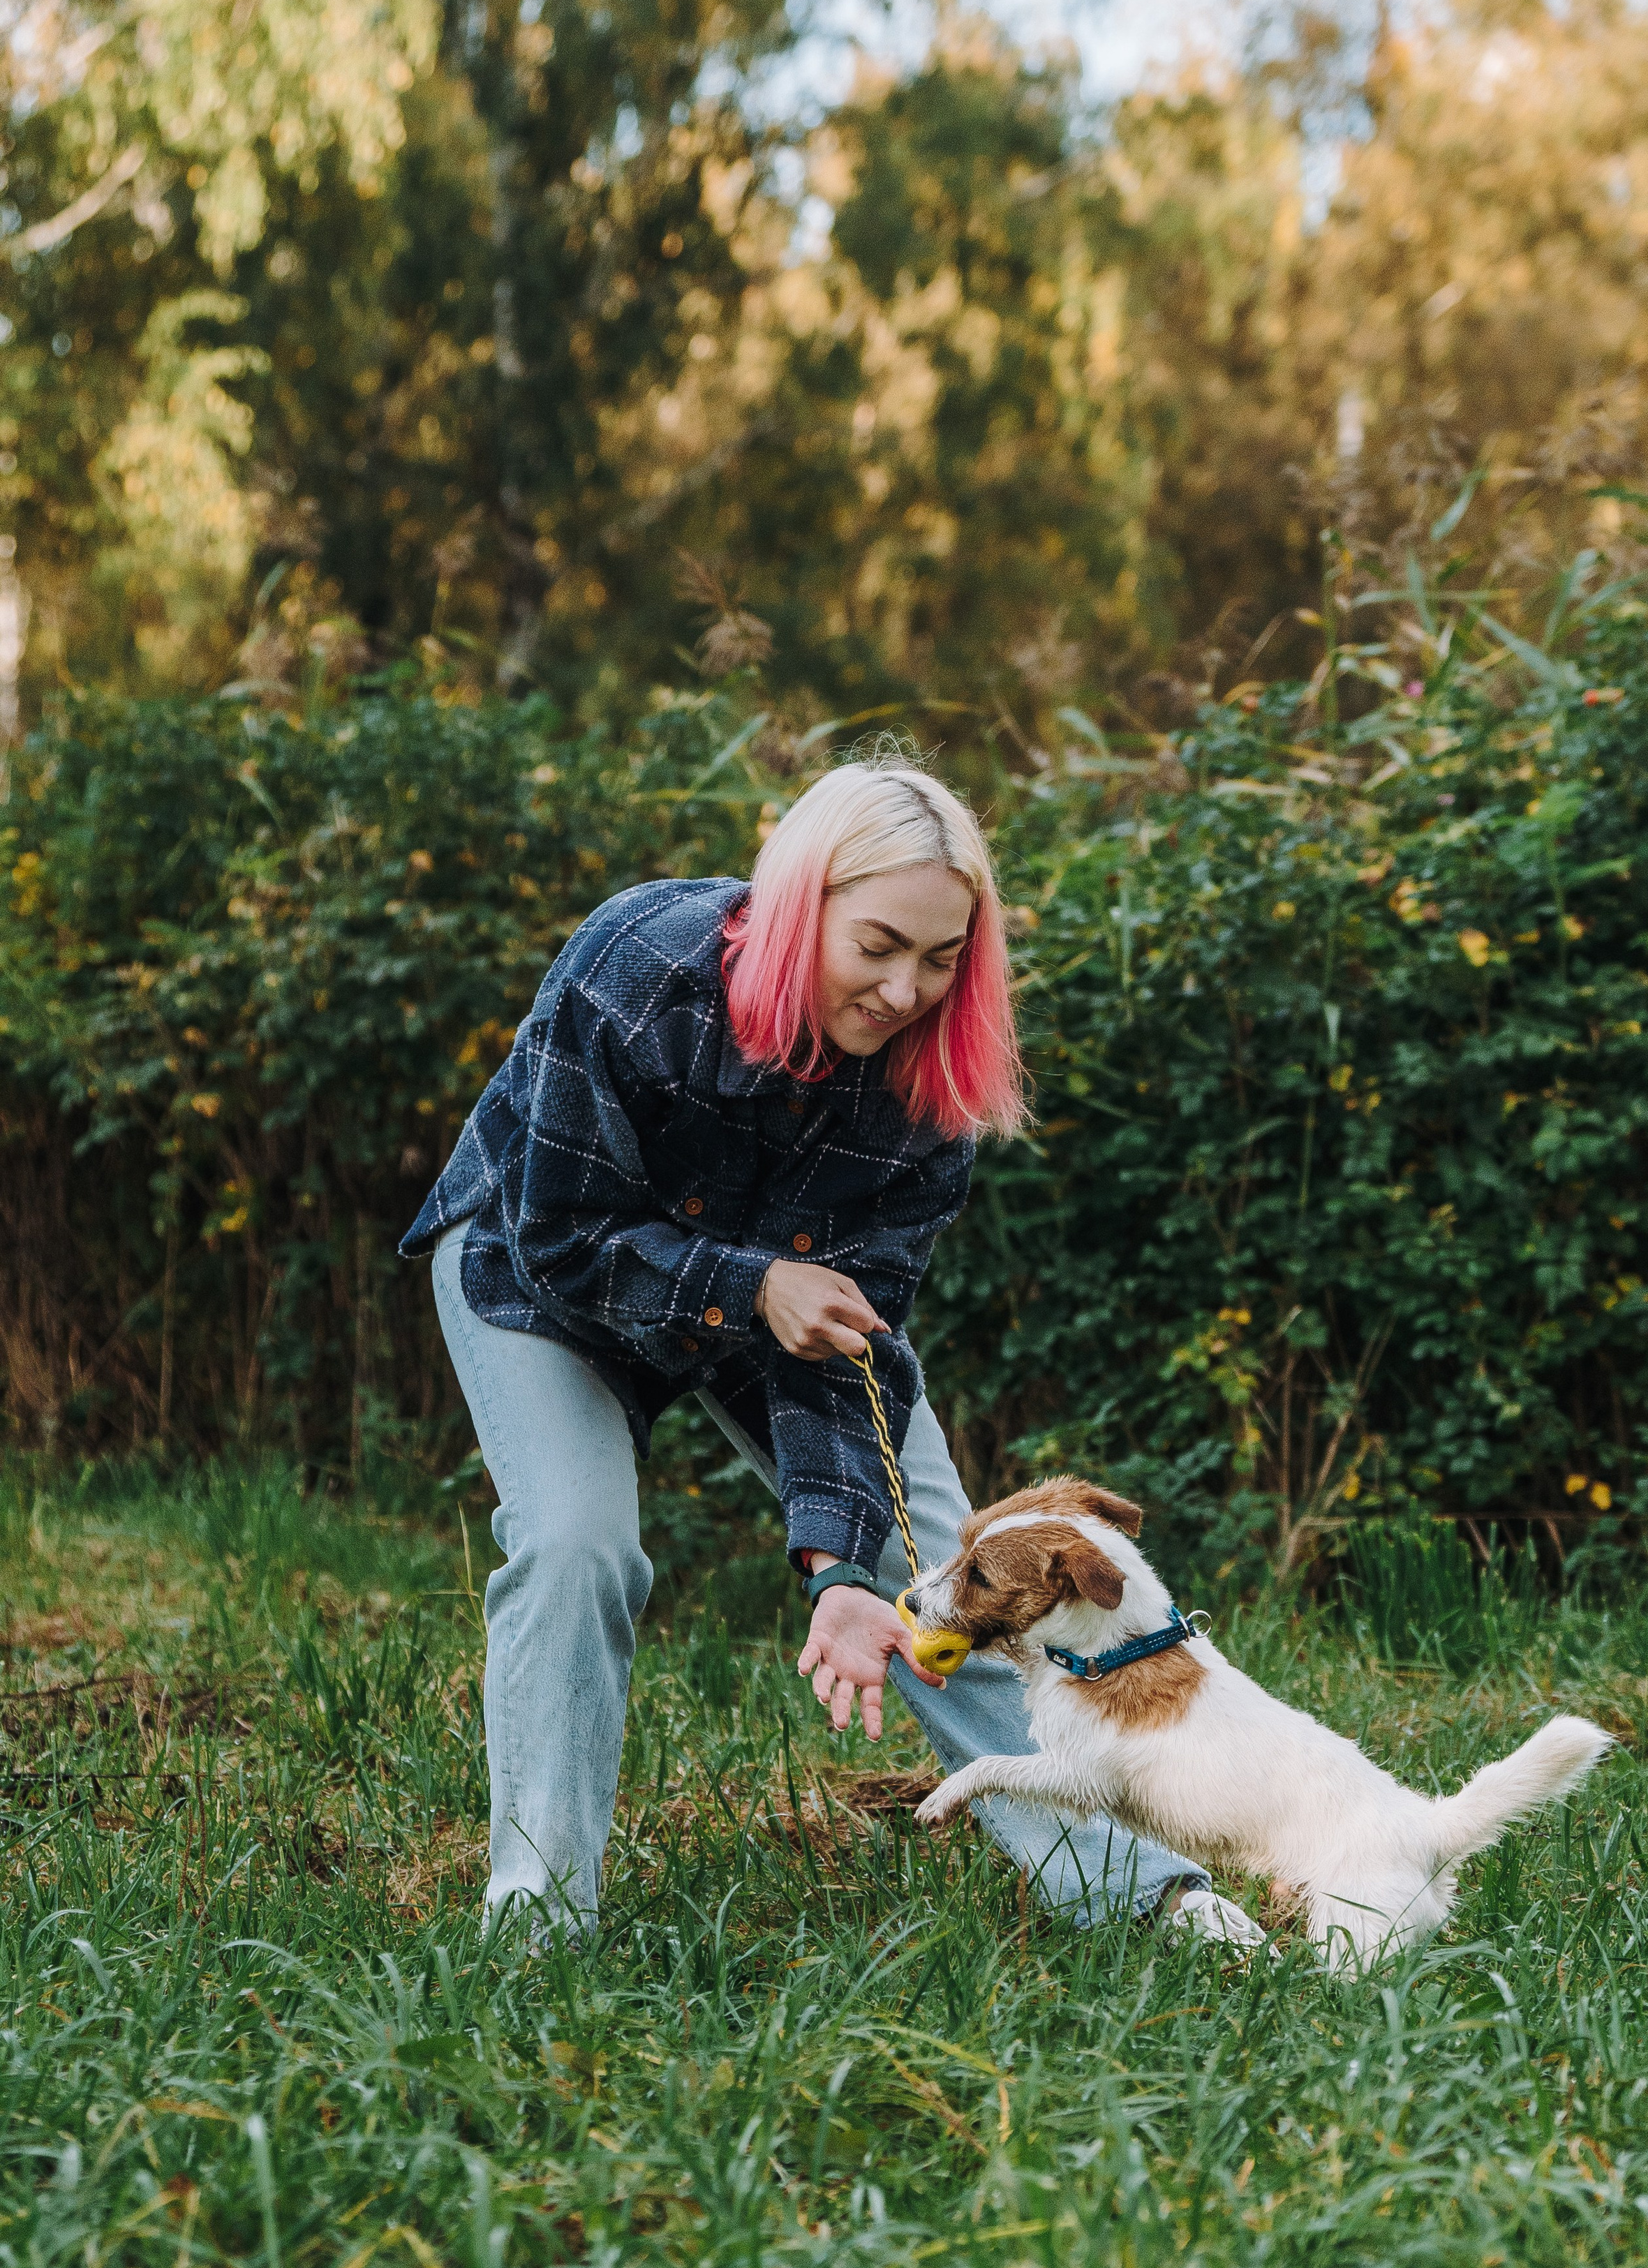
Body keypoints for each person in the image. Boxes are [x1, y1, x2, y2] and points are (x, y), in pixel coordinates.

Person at [403, 759, 1244, 1942]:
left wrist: (846, 1573)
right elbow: (559, 1237)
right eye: (880, 944)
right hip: (542, 1279)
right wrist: (751, 1283)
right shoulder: (639, 968)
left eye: (943, 958)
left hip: (781, 1315)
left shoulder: (925, 1093)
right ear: (805, 903)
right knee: (576, 1547)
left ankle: (1141, 1891)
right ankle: (538, 1924)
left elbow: (846, 1356)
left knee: (955, 1562)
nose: (908, 988)